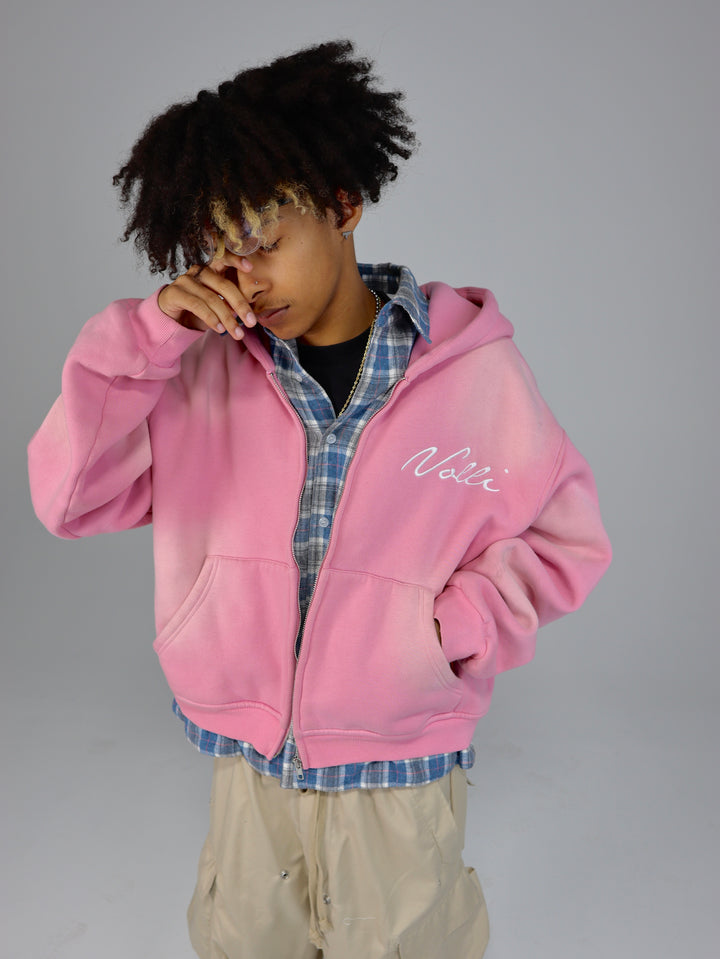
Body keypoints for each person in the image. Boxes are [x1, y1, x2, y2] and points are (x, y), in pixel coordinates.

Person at [28, 39, 611, 959]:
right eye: (222, 252)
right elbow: (67, 497)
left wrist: (444, 632)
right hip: (251, 769)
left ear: (343, 204)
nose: (246, 277)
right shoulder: (197, 371)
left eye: (265, 241)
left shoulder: (472, 371)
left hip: (401, 775)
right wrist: (147, 337)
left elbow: (563, 537)